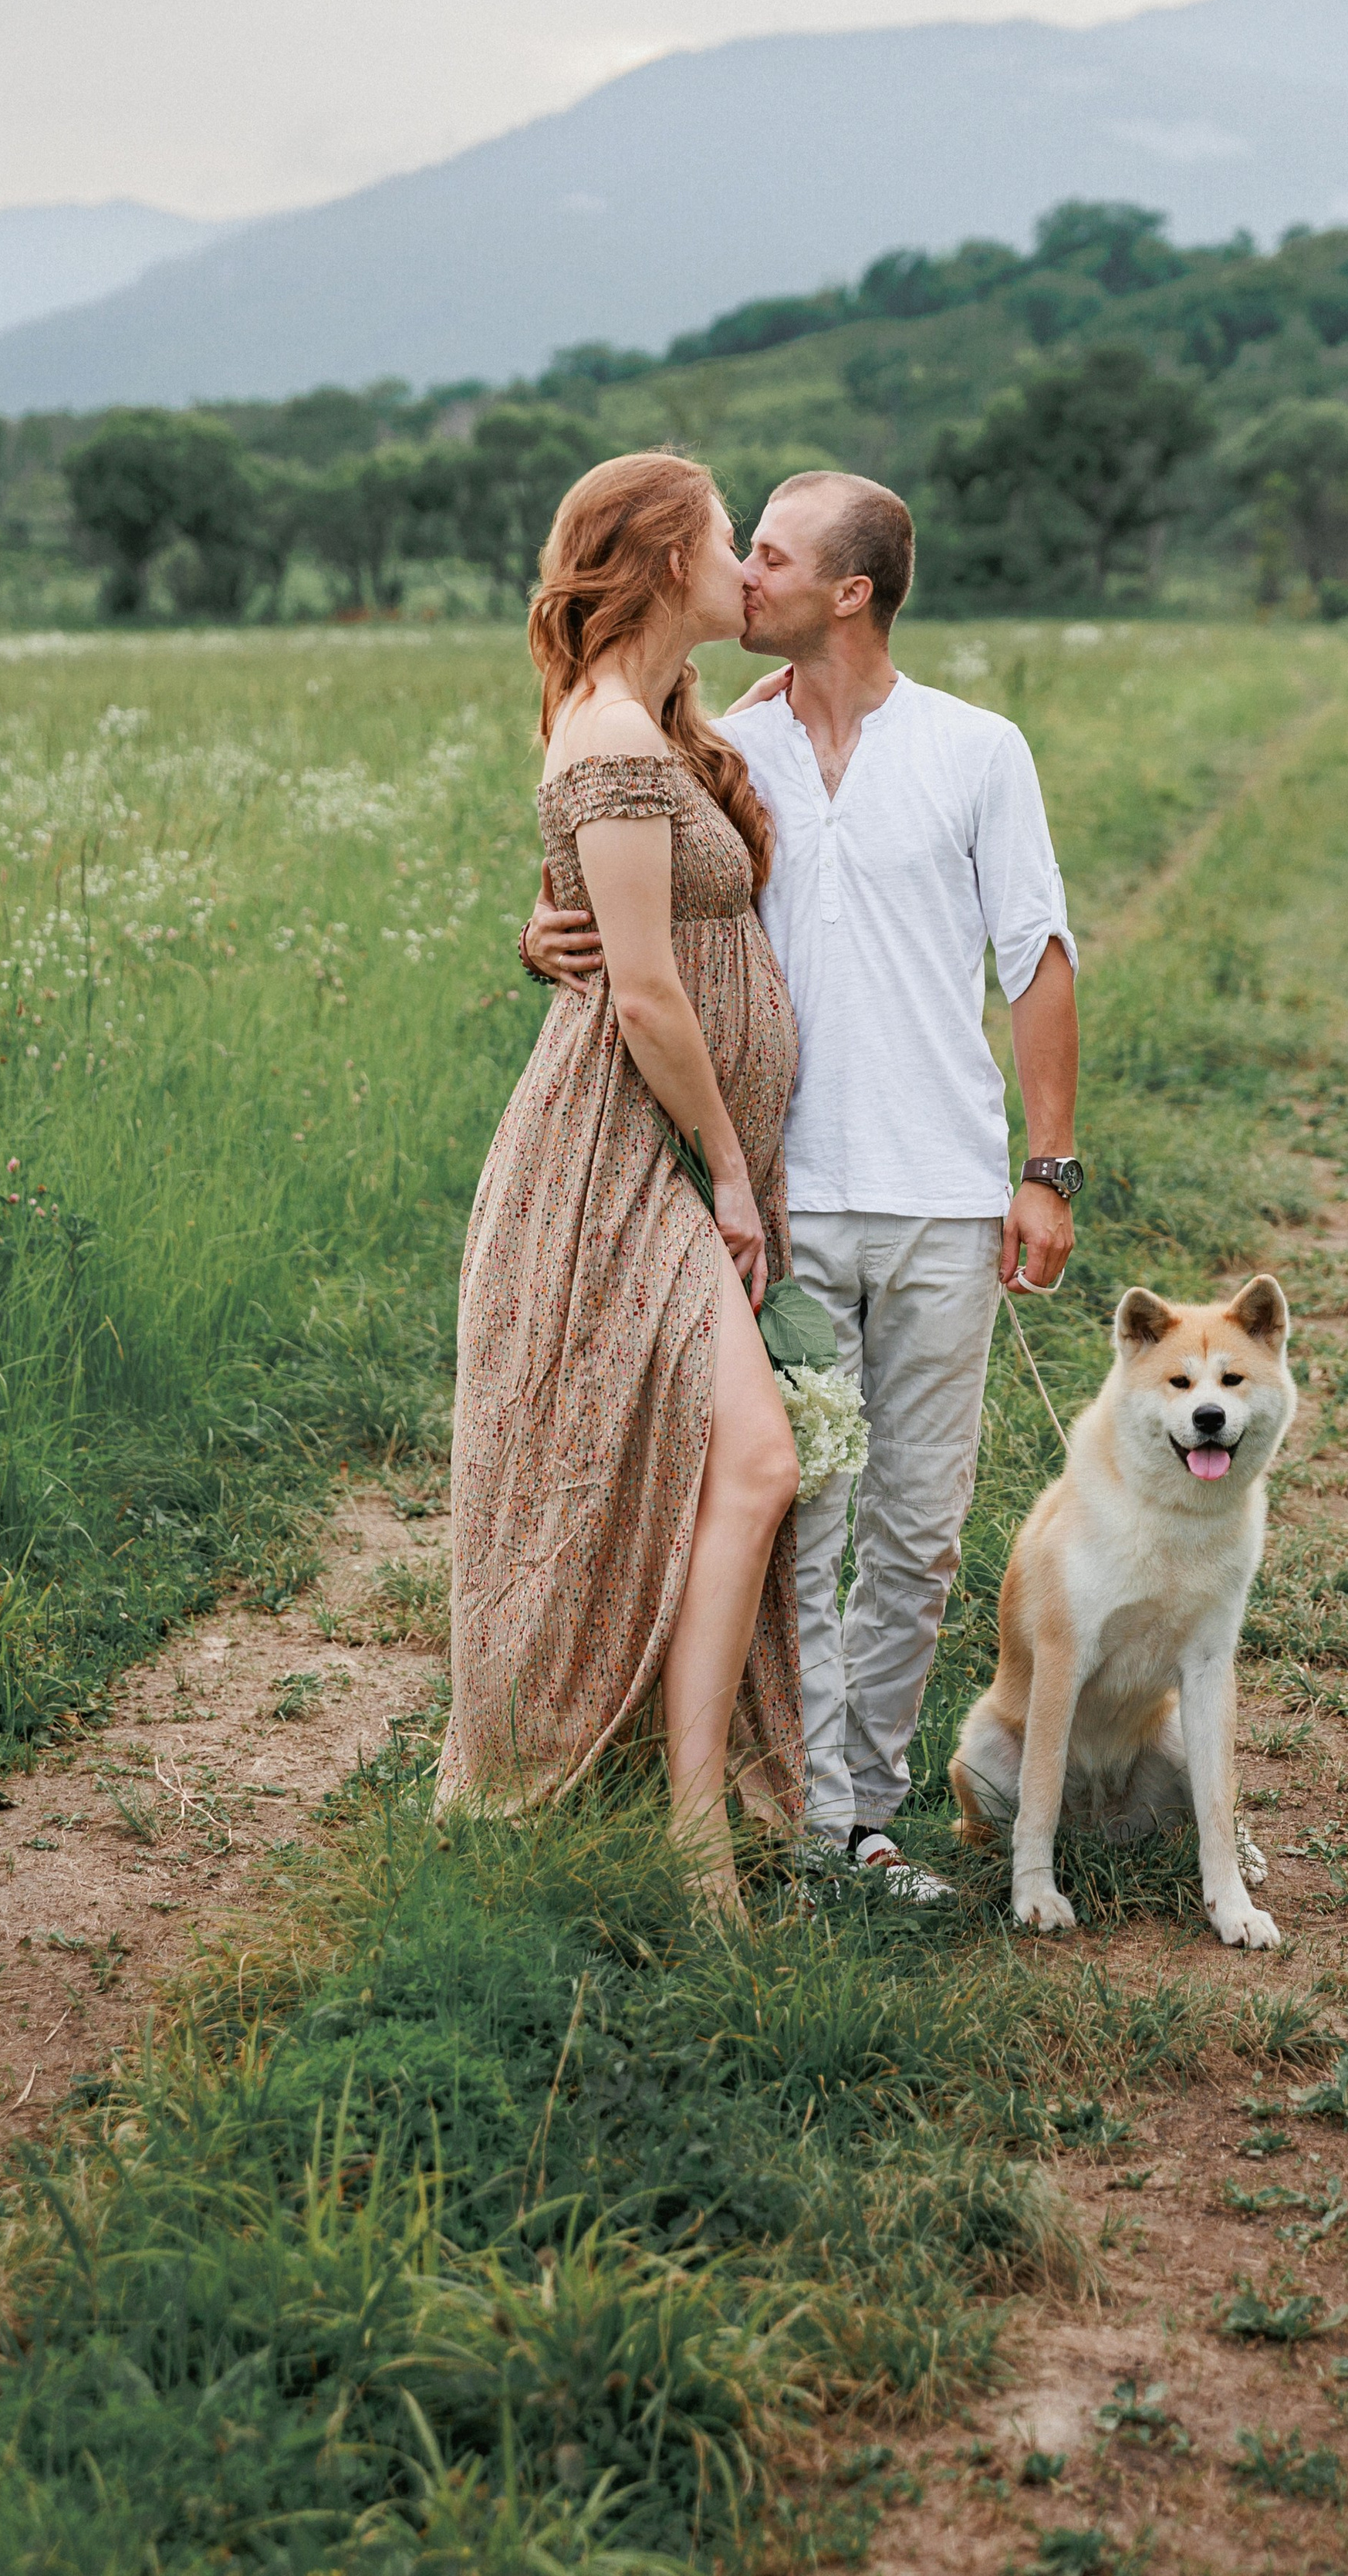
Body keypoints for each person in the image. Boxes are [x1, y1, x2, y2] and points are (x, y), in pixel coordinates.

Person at [526, 469, 1082, 1893]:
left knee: (918, 1529)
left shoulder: (978, 749)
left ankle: (869, 1797)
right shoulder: (722, 746)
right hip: (785, 1194)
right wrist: (550, 930)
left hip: (949, 1193)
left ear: (853, 591)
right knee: (806, 1514)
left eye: (772, 555)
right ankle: (819, 1821)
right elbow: (625, 875)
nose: (746, 573)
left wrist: (1046, 1168)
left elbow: (1038, 957)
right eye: (741, 546)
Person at [441, 451, 804, 1918]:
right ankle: (695, 1837)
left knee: (718, 1463)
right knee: (760, 1459)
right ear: (664, 561)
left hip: (667, 1147)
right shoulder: (603, 737)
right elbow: (647, 993)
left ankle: (681, 1803)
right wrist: (729, 1168)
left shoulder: (660, 722)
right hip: (625, 1155)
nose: (745, 568)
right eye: (728, 541)